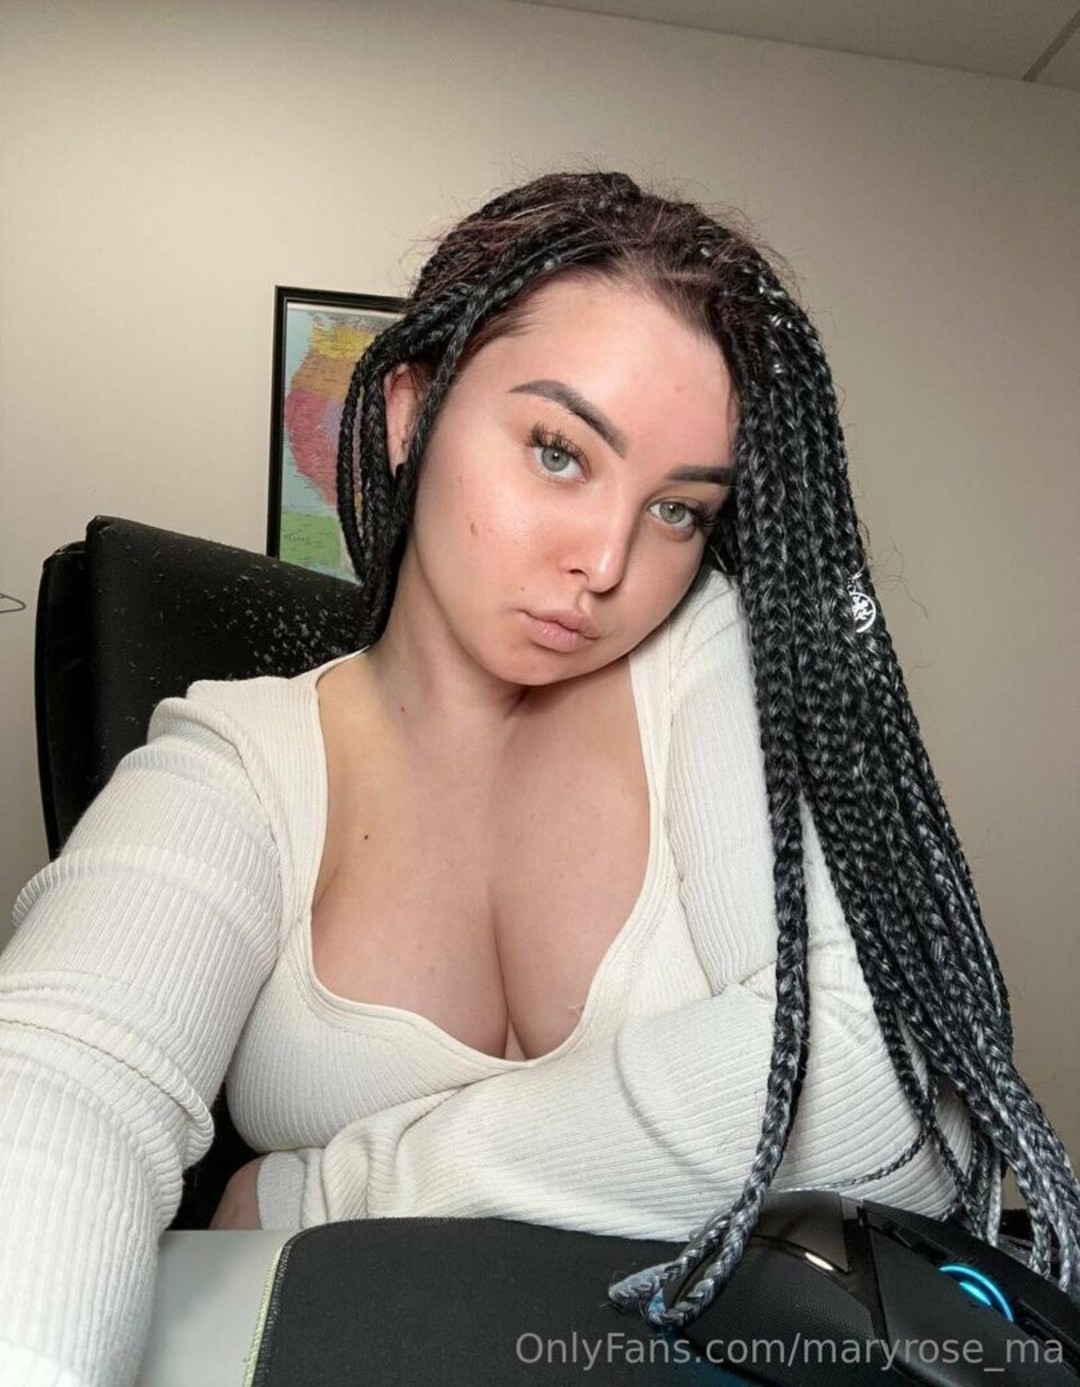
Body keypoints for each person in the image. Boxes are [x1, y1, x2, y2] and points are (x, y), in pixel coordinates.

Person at [1, 169, 1077, 1385]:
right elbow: (60, 1080)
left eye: (679, 510)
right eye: (560, 453)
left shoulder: (707, 656)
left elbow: (888, 1093)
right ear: (410, 412)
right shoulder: (239, 758)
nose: (609, 561)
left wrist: (329, 1188)